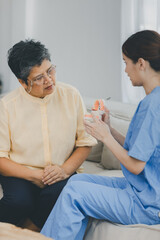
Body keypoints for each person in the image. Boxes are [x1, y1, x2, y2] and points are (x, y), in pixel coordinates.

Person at [40, 30, 160, 240]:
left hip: (148, 203)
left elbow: (135, 165)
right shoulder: (152, 101)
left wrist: (104, 137)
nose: (125, 70)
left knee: (74, 194)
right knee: (75, 182)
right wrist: (110, 129)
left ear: (141, 63)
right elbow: (141, 150)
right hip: (143, 190)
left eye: (126, 62)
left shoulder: (153, 106)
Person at [0, 40, 97, 231]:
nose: (49, 80)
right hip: (21, 171)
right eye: (39, 78)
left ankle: (27, 232)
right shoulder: (7, 105)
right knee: (19, 201)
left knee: (60, 195)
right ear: (22, 82)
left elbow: (85, 143)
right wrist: (34, 175)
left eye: (50, 70)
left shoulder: (71, 95)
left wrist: (64, 170)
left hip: (60, 171)